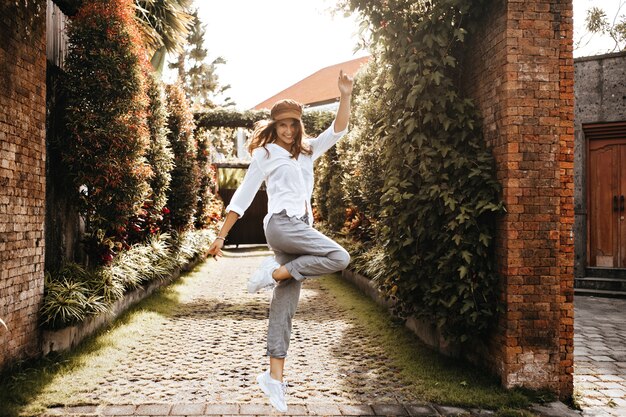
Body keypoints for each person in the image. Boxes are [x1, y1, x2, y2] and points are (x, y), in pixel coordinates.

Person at [207, 70, 353, 412]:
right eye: (282, 125)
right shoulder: (265, 154)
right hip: (281, 225)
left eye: (292, 124)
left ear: (299, 125)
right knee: (339, 256)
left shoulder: (307, 151)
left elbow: (339, 129)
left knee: (284, 308)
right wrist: (220, 236)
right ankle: (272, 272)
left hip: (300, 226)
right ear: (274, 127)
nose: (288, 130)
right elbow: (242, 196)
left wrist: (344, 96)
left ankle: (273, 380)